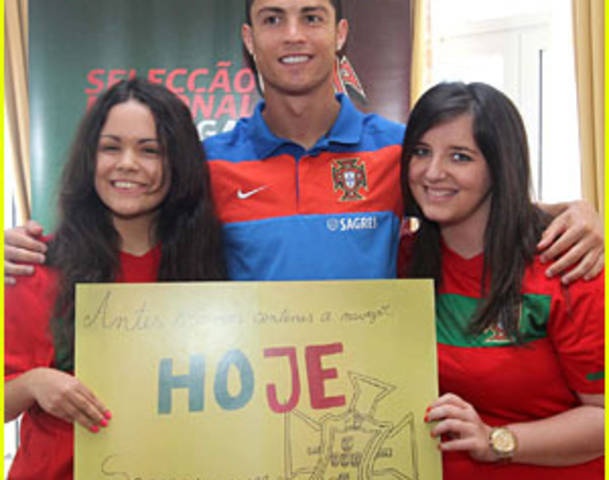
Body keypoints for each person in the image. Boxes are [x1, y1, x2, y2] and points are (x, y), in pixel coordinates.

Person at [4, 0, 604, 283]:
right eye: (273, 18)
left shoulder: (400, 153)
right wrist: (29, 249)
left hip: (367, 407)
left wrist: (578, 212)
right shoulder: (207, 163)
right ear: (250, 39)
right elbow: (121, 229)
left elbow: (484, 205)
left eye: (311, 17)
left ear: (339, 34)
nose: (293, 35)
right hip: (247, 415)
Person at [4, 78, 226, 479]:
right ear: (90, 159)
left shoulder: (212, 271)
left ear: (178, 164)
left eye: (149, 150)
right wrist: (34, 384)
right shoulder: (34, 266)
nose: (127, 163)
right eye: (110, 147)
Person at [400, 82, 603, 479]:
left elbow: (602, 415)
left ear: (499, 166)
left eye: (460, 156)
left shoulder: (566, 266)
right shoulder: (403, 259)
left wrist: (497, 440)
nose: (433, 172)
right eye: (421, 152)